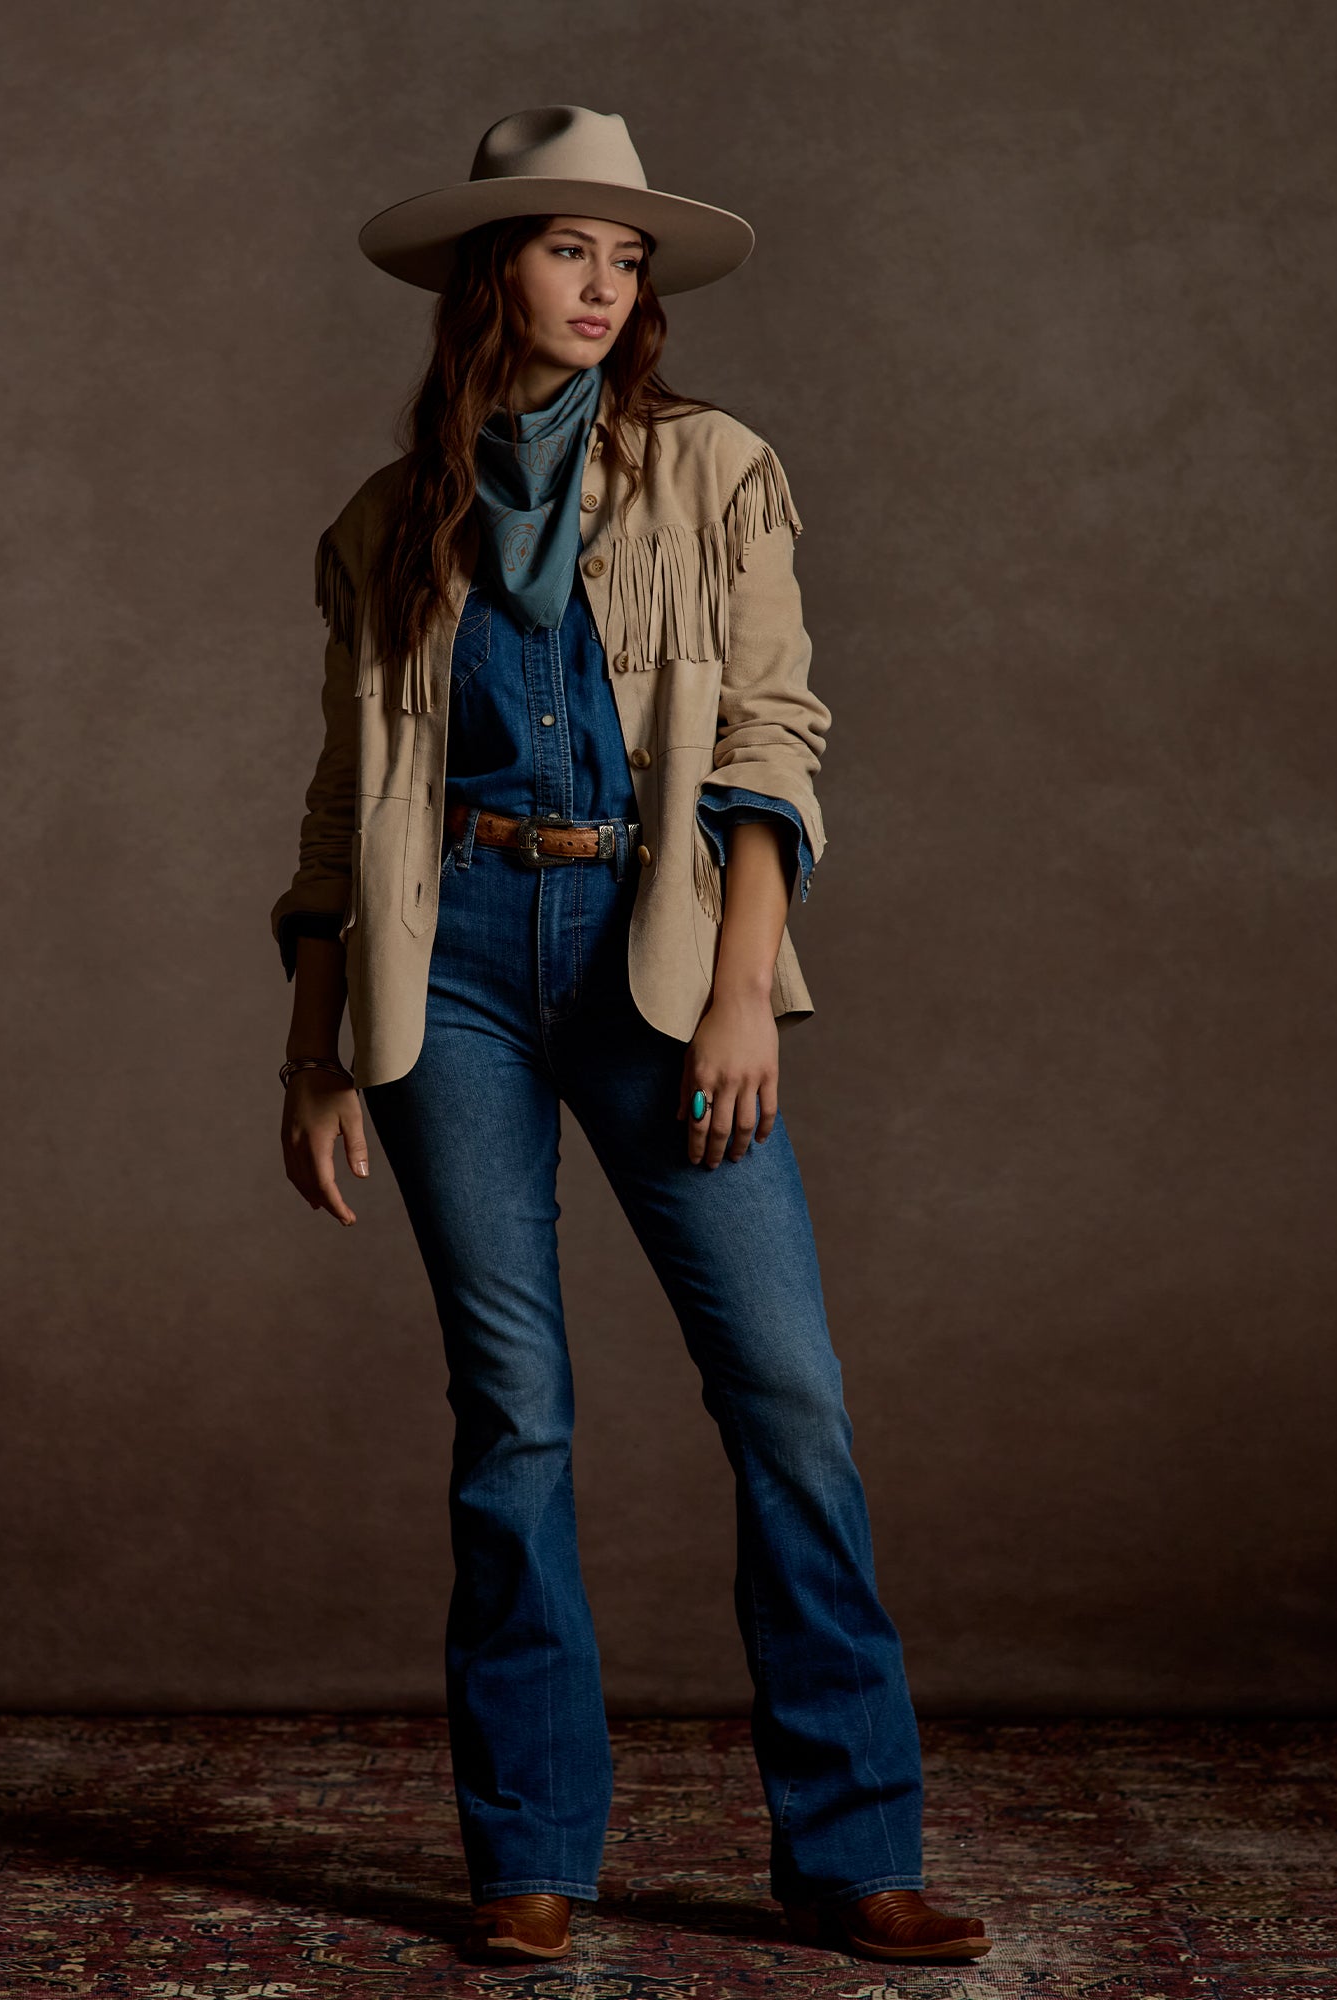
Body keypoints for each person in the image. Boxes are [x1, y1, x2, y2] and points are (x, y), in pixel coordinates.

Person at [269, 105, 993, 1970]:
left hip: (653, 948)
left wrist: (747, 985)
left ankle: (850, 1850)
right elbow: (345, 800)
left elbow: (772, 731)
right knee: (513, 1413)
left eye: (626, 255)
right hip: (447, 966)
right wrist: (312, 1044)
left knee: (787, 1394)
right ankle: (527, 1849)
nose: (603, 284)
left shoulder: (715, 470)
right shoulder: (384, 522)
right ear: (488, 271)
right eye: (567, 247)